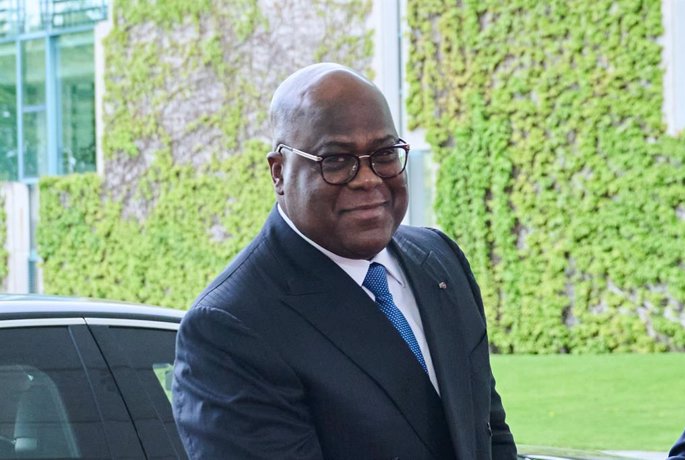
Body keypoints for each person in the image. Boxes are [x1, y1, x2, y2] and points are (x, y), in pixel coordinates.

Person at [172, 62, 517, 459]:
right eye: (336, 160)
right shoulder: (231, 327)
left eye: (385, 154)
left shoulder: (440, 261)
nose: (368, 178)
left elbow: (490, 434)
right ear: (279, 172)